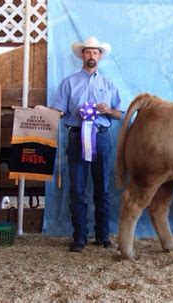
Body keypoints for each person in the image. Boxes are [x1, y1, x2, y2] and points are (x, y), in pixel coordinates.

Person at [48, 37, 124, 252]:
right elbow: (59, 111)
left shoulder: (109, 85)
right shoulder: (69, 83)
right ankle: (79, 238)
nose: (91, 56)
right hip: (76, 137)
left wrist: (108, 110)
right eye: (88, 52)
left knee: (103, 189)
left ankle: (103, 236)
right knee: (78, 189)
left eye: (95, 52)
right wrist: (43, 112)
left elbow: (120, 114)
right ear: (82, 55)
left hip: (102, 138)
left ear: (100, 56)